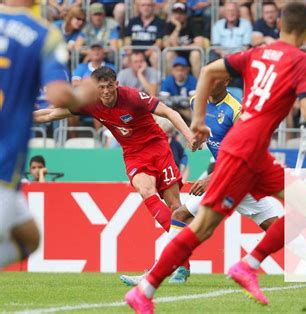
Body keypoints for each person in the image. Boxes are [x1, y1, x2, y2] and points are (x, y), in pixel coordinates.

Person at [124, 3, 306, 311]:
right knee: (201, 223)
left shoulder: (257, 53)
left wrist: (197, 120)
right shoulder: (301, 60)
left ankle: (244, 266)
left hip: (250, 153)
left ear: (281, 25)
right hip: (245, 153)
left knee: (301, 208)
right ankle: (150, 287)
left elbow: (207, 71)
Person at [33, 67, 201, 236]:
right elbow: (50, 114)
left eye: (110, 86)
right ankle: (182, 249)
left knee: (174, 206)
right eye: (101, 87)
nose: (106, 91)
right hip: (133, 153)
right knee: (145, 190)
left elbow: (168, 112)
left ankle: (183, 247)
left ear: (117, 84)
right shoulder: (90, 103)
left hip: (157, 146)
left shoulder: (132, 96)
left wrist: (190, 136)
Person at [0, 0, 98, 269]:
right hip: (3, 167)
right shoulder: (43, 35)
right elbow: (57, 95)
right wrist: (84, 94)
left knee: (29, 238)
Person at [163, 2, 205, 78]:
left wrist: (182, 47)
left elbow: (200, 44)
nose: (178, 16)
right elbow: (167, 44)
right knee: (168, 54)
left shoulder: (193, 24)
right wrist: (177, 27)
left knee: (196, 54)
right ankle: (170, 83)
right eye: (175, 13)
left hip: (190, 55)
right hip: (176, 56)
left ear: (186, 15)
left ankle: (198, 85)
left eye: (181, 13)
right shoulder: (169, 25)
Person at [124, 0, 165, 67]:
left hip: (150, 53)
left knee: (155, 56)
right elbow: (127, 40)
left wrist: (144, 54)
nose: (146, 8)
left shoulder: (160, 22)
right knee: (126, 60)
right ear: (139, 7)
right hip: (135, 53)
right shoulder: (132, 22)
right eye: (143, 5)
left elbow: (159, 43)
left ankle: (156, 77)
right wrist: (132, 53)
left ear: (153, 7)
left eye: (148, 5)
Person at [160, 56, 197, 123]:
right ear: (173, 71)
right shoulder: (167, 81)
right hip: (171, 110)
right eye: (177, 70)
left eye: (182, 70)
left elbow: (194, 100)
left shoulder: (192, 80)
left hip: (186, 109)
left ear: (187, 70)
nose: (179, 73)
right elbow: (163, 100)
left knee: (194, 113)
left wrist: (180, 107)